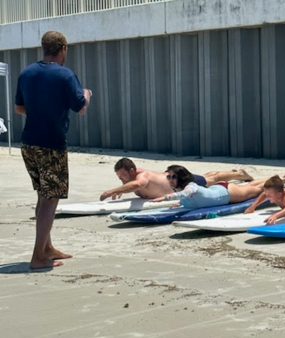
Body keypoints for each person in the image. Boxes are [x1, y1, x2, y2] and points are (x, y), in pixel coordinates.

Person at [15, 31, 92, 269]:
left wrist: (39, 112)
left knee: (42, 195)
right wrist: (87, 95)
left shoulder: (27, 72)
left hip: (28, 144)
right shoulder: (65, 74)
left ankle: (46, 248)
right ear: (63, 49)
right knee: (50, 199)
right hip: (52, 145)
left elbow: (19, 108)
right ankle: (38, 257)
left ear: (44, 48)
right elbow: (80, 108)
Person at [100, 157, 255, 201]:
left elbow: (138, 184)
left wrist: (111, 191)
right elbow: (131, 185)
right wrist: (121, 189)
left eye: (123, 176)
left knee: (210, 178)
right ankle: (238, 174)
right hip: (169, 178)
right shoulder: (130, 181)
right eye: (119, 177)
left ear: (132, 170)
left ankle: (240, 175)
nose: (121, 180)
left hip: (181, 181)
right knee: (209, 176)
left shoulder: (142, 177)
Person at [149, 165, 285, 209]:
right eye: (168, 176)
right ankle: (281, 178)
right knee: (251, 186)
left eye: (173, 176)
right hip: (221, 190)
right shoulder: (184, 190)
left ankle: (281, 180)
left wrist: (164, 198)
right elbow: (187, 197)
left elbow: (187, 193)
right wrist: (179, 203)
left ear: (180, 177)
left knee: (258, 190)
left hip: (227, 194)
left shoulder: (190, 186)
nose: (170, 179)